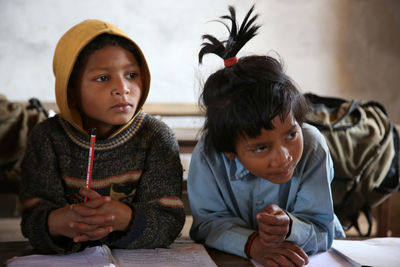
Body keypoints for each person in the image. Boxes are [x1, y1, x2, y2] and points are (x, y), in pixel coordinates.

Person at [188, 5, 345, 267]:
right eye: (261, 148)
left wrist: (290, 228)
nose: (283, 157)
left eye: (291, 134)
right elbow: (207, 223)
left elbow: (322, 229)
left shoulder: (313, 146)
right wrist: (252, 244)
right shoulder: (209, 155)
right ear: (229, 150)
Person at [19, 19, 185, 254]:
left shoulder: (155, 137)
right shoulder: (47, 138)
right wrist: (60, 222)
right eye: (103, 78)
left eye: (131, 74)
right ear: (71, 92)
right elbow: (32, 221)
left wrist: (125, 218)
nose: (123, 88)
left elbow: (168, 222)